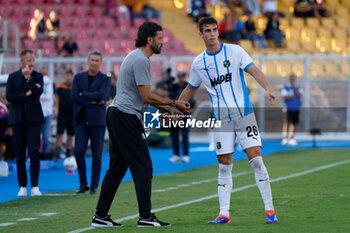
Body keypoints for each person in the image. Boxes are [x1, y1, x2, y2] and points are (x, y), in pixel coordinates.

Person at [177, 17, 278, 225]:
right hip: (221, 119)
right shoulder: (199, 63)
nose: (212, 34)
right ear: (201, 34)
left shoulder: (235, 51)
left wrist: (267, 88)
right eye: (207, 30)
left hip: (244, 114)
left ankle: (270, 210)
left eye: (214, 29)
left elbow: (254, 70)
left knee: (256, 159)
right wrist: (175, 107)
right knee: (224, 165)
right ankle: (224, 214)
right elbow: (190, 88)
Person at [91, 22, 190, 228]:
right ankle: (145, 217)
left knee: (117, 168)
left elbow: (140, 98)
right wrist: (173, 103)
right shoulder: (141, 60)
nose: (163, 42)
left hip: (119, 114)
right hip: (124, 117)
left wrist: (169, 110)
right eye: (160, 38)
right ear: (149, 40)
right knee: (143, 166)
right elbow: (145, 96)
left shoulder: (136, 57)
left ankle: (100, 216)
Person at [71, 50, 111, 195]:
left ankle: (94, 186)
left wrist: (84, 94)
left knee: (97, 155)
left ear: (100, 63)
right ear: (88, 61)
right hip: (81, 119)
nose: (94, 62)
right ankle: (83, 183)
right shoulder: (78, 77)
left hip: (97, 121)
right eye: (92, 60)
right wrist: (92, 100)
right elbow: (74, 96)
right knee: (78, 151)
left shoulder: (105, 79)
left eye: (97, 60)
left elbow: (102, 95)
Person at [6, 49, 44, 197]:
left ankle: (35, 186)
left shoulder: (38, 76)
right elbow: (9, 97)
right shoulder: (13, 77)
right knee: (20, 154)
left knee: (34, 152)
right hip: (17, 119)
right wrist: (25, 95)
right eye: (29, 60)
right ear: (22, 61)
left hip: (34, 120)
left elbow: (37, 93)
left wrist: (29, 79)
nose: (31, 63)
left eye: (33, 60)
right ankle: (22, 186)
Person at [168, 71, 193, 163]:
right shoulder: (173, 86)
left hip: (185, 114)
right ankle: (176, 155)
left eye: (183, 76)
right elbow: (170, 99)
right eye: (180, 76)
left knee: (185, 135)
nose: (181, 77)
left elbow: (192, 100)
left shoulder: (188, 86)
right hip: (174, 114)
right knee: (174, 135)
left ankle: (186, 155)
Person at [54, 70, 75, 159]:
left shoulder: (75, 87)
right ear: (65, 77)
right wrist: (54, 110)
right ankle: (57, 152)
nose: (69, 78)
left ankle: (69, 152)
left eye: (71, 76)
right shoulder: (59, 87)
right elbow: (54, 99)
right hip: (61, 115)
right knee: (59, 133)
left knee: (70, 134)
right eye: (67, 76)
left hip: (72, 115)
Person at [280, 73, 302, 146]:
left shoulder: (298, 87)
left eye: (293, 78)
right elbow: (285, 96)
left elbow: (300, 95)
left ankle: (292, 138)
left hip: (296, 107)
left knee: (293, 123)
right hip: (288, 107)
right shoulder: (286, 87)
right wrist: (294, 96)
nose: (292, 79)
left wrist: (294, 89)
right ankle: (285, 138)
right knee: (287, 122)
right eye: (291, 78)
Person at [39, 68, 55, 155]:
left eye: (45, 74)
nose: (44, 76)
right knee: (36, 136)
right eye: (42, 74)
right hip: (38, 113)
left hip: (48, 113)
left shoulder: (51, 84)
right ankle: (34, 153)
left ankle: (44, 154)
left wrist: (54, 110)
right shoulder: (36, 83)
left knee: (46, 136)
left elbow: (54, 97)